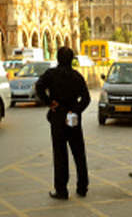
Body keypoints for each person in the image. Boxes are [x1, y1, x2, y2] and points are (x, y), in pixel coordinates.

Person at [34, 46, 91, 199]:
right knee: (79, 153)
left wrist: (49, 102)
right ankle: (82, 187)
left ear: (58, 58)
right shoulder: (77, 76)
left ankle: (61, 190)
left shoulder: (51, 74)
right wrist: (76, 110)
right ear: (72, 59)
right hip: (72, 117)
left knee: (60, 154)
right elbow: (86, 99)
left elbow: (39, 87)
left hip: (58, 116)